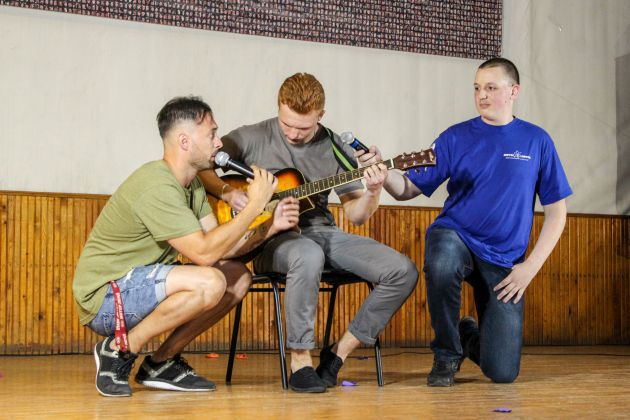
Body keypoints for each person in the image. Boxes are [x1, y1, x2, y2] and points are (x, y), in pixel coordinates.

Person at [199, 73, 419, 393]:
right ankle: (300, 360)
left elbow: (356, 215)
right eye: (286, 124)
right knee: (308, 253)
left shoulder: (335, 146)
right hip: (269, 238)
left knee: (402, 271)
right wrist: (230, 194)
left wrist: (373, 191)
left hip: (321, 231)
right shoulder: (249, 137)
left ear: (321, 115)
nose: (293, 134)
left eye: (303, 128)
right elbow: (202, 168)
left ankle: (337, 354)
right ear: (279, 107)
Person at [359, 58, 572, 386]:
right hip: (455, 236)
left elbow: (557, 212)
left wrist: (529, 268)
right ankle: (446, 354)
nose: (482, 95)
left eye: (491, 87)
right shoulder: (454, 137)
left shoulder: (537, 141)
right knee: (442, 262)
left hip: (503, 259)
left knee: (502, 372)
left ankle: (465, 333)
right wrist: (384, 176)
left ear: (514, 91)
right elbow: (407, 189)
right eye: (477, 88)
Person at [73, 96, 300, 397]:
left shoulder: (191, 184)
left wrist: (268, 227)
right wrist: (254, 206)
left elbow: (220, 247)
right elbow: (204, 253)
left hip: (140, 283)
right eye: (212, 134)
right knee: (211, 281)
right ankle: (119, 349)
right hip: (104, 297)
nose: (219, 143)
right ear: (184, 141)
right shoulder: (157, 184)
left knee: (237, 277)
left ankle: (161, 362)